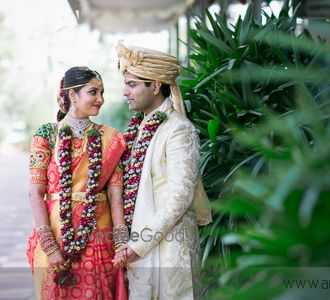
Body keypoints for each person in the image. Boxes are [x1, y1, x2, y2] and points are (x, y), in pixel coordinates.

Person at [113, 40, 212, 299]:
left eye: (132, 84)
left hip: (168, 248)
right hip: (139, 247)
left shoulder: (178, 129)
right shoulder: (139, 127)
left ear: (155, 86)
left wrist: (139, 244)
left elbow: (180, 197)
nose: (125, 92)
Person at [26, 66, 128, 299]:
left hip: (99, 236)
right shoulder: (48, 134)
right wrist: (49, 246)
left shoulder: (111, 139)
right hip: (56, 234)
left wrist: (121, 243)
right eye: (93, 92)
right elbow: (35, 192)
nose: (100, 99)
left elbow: (115, 198)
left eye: (102, 92)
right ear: (73, 95)